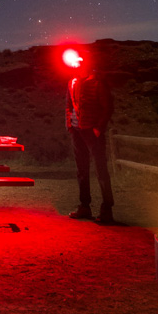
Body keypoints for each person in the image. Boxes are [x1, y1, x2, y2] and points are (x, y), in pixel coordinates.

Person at [63, 47, 115, 224]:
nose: (74, 65)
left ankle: (107, 208)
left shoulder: (97, 82)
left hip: (92, 132)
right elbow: (69, 105)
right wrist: (70, 125)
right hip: (78, 132)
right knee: (82, 170)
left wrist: (98, 129)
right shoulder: (72, 82)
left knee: (101, 170)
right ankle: (84, 206)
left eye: (77, 62)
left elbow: (107, 107)